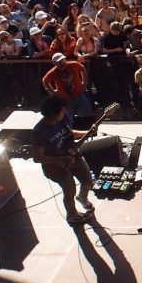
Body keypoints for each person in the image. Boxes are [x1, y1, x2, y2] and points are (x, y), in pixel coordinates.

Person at [32, 96, 95, 226]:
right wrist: (61, 159)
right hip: (55, 167)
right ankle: (72, 215)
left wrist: (87, 132)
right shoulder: (39, 132)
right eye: (61, 111)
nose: (65, 112)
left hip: (73, 155)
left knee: (88, 180)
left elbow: (70, 132)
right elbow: (38, 157)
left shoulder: (63, 118)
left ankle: (82, 197)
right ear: (52, 115)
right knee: (69, 190)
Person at [43, 52, 93, 118]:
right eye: (59, 61)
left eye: (63, 60)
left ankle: (90, 126)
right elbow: (45, 81)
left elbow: (83, 68)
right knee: (69, 117)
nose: (62, 62)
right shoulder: (53, 72)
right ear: (54, 63)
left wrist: (84, 82)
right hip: (66, 98)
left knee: (88, 113)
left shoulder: (74, 64)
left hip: (79, 94)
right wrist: (53, 91)